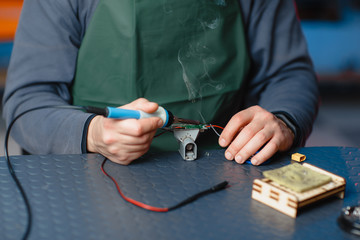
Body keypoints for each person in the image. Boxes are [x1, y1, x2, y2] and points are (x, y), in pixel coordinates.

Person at [2, 0, 319, 166]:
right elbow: (27, 103)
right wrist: (92, 134)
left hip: (225, 168)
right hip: (90, 176)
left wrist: (282, 119)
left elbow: (290, 74)